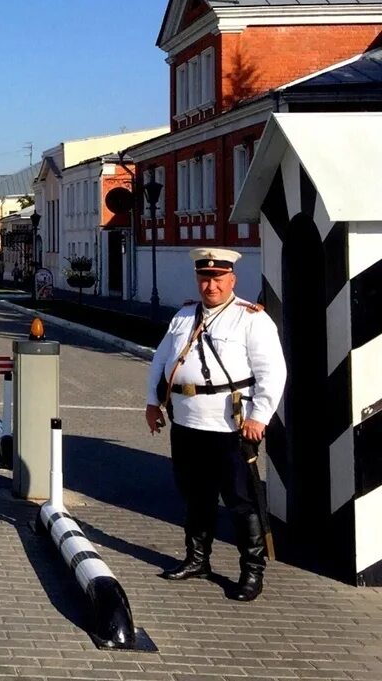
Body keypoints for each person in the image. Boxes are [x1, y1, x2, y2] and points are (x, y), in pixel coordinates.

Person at [145, 248, 287, 602]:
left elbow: (273, 371)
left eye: (218, 279)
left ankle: (251, 572)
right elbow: (162, 358)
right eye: (205, 278)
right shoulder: (183, 316)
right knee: (195, 496)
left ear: (232, 280)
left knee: (241, 500)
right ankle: (197, 559)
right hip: (188, 420)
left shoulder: (251, 319)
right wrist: (152, 401)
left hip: (230, 426)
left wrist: (260, 416)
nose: (211, 285)